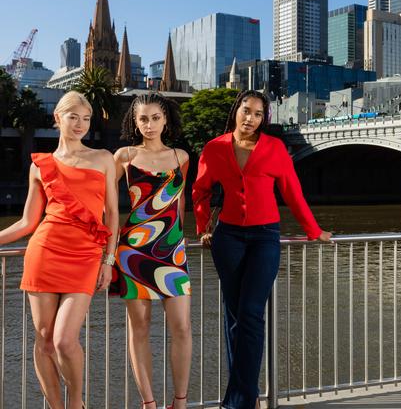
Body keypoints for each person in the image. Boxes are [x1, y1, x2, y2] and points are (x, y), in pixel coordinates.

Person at [192, 90, 332, 409]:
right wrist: (203, 227)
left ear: (263, 119)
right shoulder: (214, 148)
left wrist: (314, 230)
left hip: (265, 237)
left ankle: (238, 401)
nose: (250, 118)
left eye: (257, 114)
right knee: (234, 317)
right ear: (236, 111)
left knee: (251, 314)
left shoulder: (275, 148)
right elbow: (200, 191)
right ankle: (249, 396)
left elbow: (293, 193)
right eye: (246, 110)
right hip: (227, 238)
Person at [0, 90, 118, 409]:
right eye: (73, 117)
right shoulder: (41, 165)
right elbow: (27, 222)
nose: (80, 124)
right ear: (57, 118)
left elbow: (113, 213)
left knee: (64, 340)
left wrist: (109, 259)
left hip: (86, 256)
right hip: (45, 252)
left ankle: (76, 403)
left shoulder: (104, 158)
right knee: (43, 340)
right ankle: (55, 405)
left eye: (86, 118)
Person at [111, 93, 191, 409]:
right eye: (143, 118)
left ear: (166, 119)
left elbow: (180, 204)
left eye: (155, 117)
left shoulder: (181, 157)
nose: (149, 124)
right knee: (139, 330)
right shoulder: (124, 156)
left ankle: (180, 401)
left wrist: (184, 240)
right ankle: (149, 403)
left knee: (182, 327)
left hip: (173, 252)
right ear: (134, 121)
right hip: (134, 252)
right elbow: (102, 199)